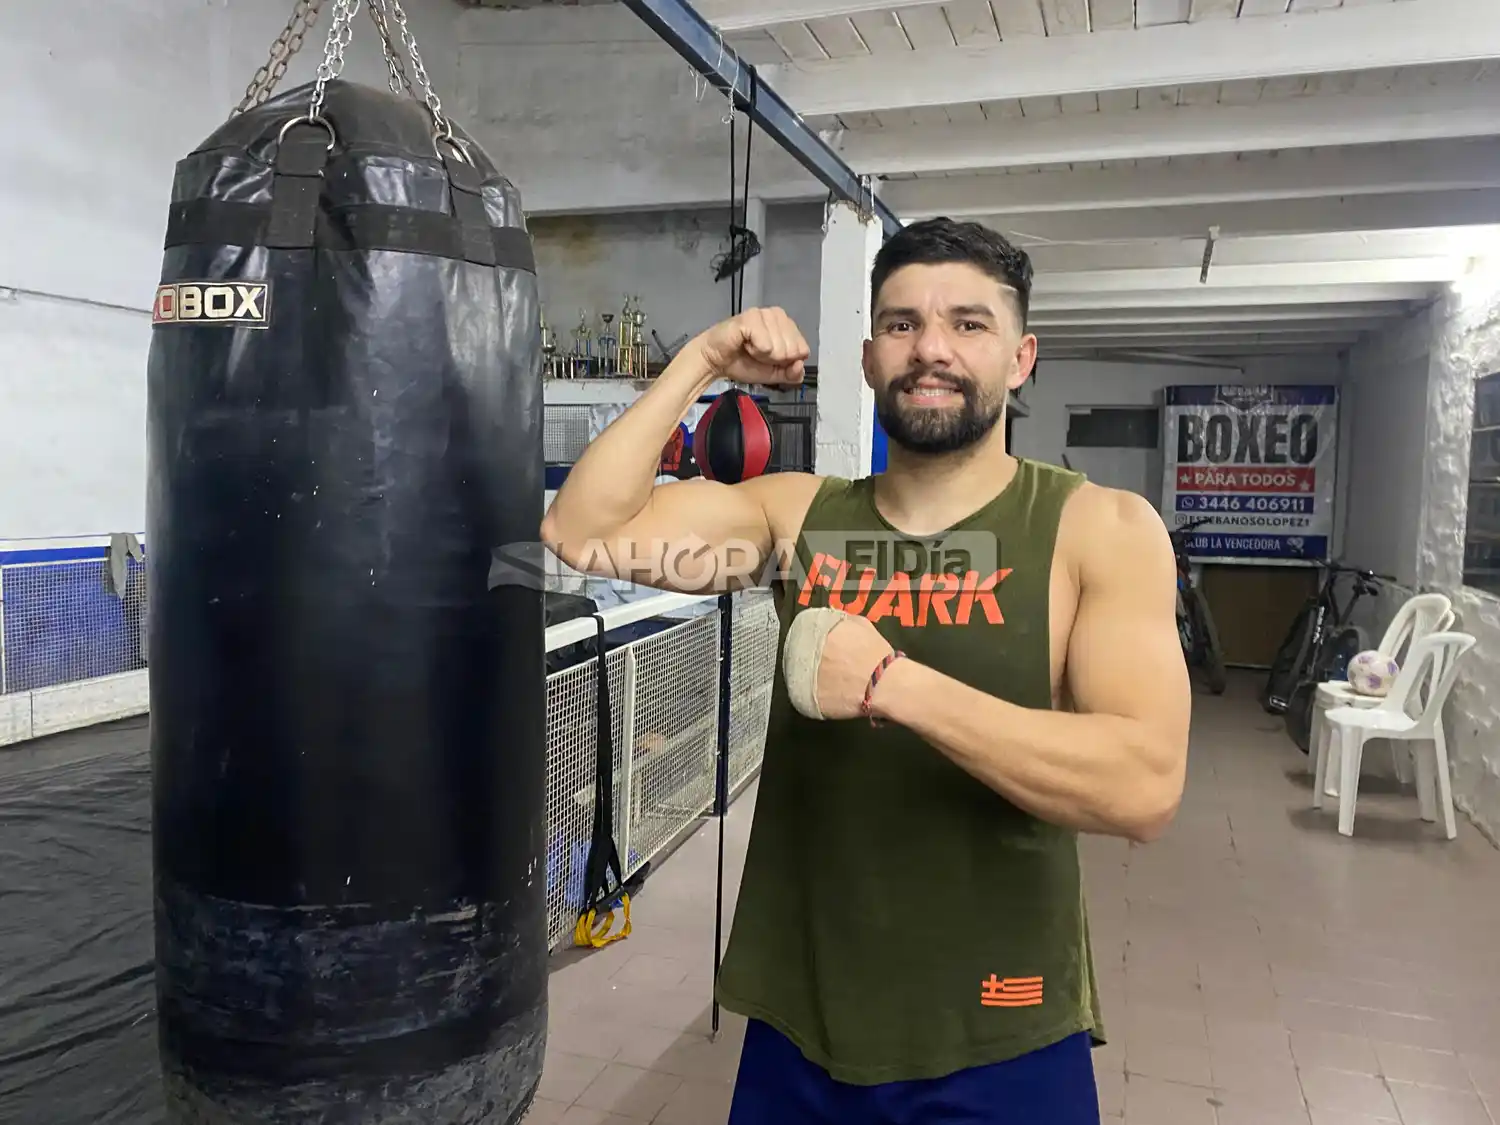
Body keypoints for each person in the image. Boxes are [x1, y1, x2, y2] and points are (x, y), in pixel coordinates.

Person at [541, 217, 1192, 1124]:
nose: (931, 348)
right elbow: (584, 532)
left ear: (1021, 357)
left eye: (969, 324)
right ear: (867, 357)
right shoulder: (796, 517)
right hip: (801, 1017)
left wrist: (898, 685)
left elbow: (1143, 784)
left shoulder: (1099, 530)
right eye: (901, 325)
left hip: (999, 1026)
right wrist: (699, 362)